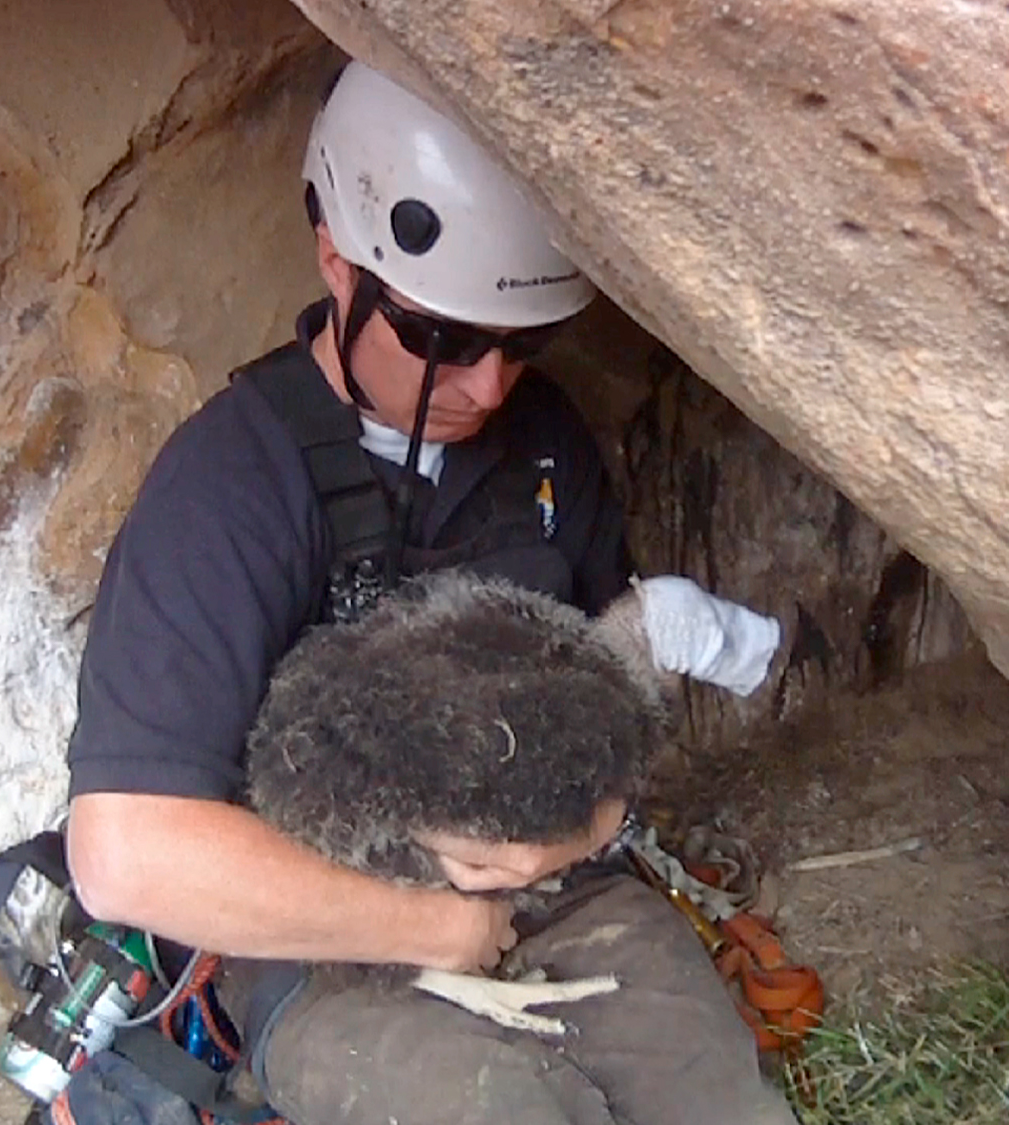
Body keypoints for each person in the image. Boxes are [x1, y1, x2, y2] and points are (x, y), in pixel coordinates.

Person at [62, 60, 799, 1124]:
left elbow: (607, 696)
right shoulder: (229, 485)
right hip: (319, 952)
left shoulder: (544, 444)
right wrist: (427, 929)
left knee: (718, 1107)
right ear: (335, 259)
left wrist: (573, 836)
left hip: (557, 892)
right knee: (507, 1111)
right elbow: (126, 853)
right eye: (442, 340)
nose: (487, 387)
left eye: (521, 344)